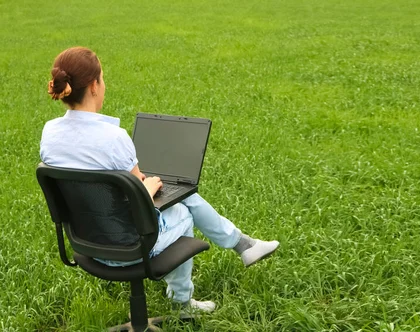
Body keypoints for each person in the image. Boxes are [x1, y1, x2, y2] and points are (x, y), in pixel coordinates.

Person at [40, 47, 279, 312]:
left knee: (183, 196)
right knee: (183, 209)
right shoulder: (114, 138)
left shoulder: (50, 133)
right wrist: (147, 187)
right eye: (103, 79)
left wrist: (141, 185)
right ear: (94, 86)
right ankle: (183, 302)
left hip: (86, 243)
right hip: (129, 245)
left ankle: (244, 245)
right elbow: (137, 198)